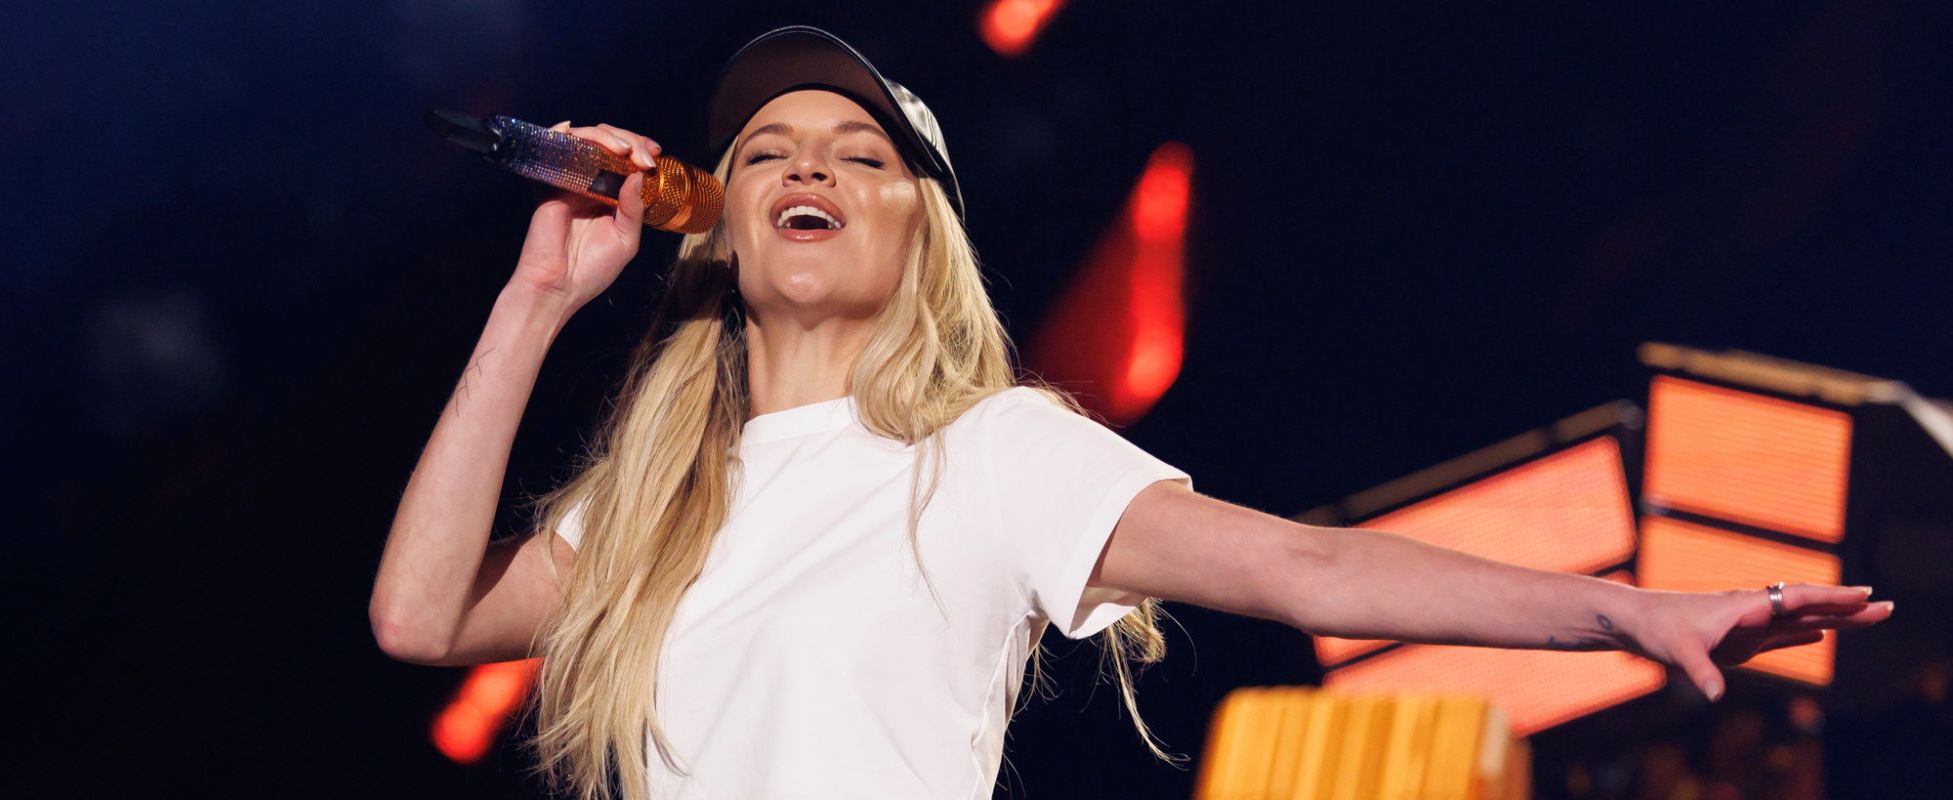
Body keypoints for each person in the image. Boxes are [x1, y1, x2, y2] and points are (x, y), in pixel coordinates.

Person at [369, 26, 1895, 800]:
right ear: (721, 225)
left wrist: (1629, 615)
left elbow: (1312, 568)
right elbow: (422, 617)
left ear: (919, 243)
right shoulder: (667, 500)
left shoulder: (985, 458)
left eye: (861, 153)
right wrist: (535, 301)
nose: (809, 166)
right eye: (769, 151)